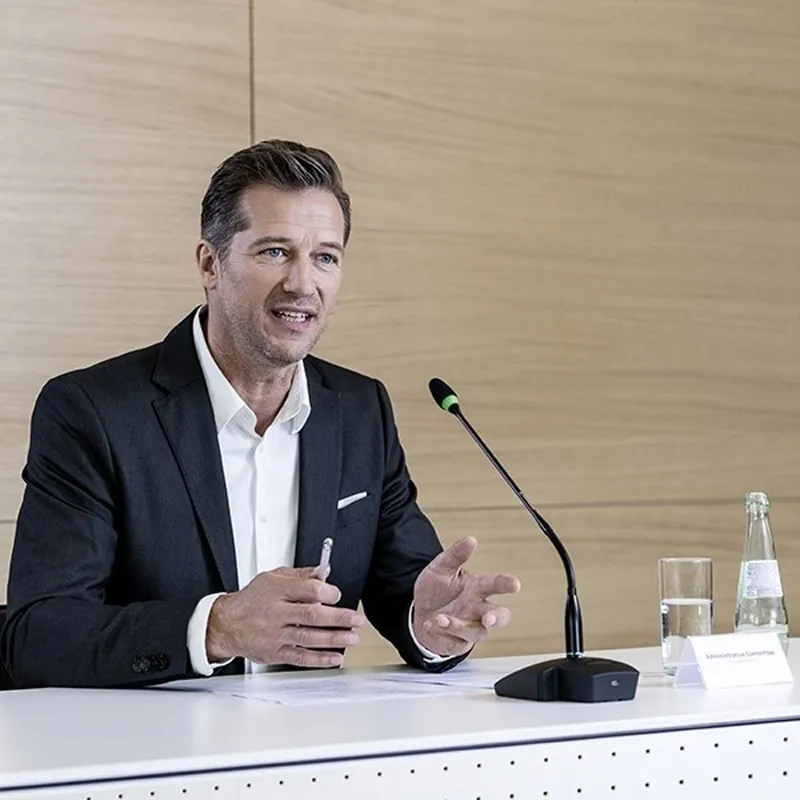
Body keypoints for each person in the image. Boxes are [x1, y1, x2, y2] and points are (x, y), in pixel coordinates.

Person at [2, 139, 521, 688]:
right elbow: (38, 636)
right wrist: (217, 627)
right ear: (210, 264)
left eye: (325, 257)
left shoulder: (360, 409)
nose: (302, 283)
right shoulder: (93, 412)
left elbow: (407, 589)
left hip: (310, 738)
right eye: (275, 252)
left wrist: (431, 624)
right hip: (146, 738)